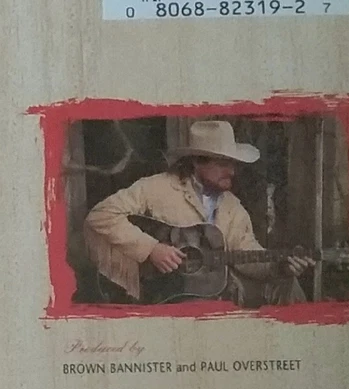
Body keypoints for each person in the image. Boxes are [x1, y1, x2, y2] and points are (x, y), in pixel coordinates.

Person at [83, 120, 312, 305]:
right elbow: (101, 215)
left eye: (233, 164)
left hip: (220, 289)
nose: (232, 171)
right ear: (197, 162)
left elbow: (246, 252)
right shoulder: (156, 188)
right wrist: (151, 249)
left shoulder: (232, 206)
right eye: (223, 163)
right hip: (168, 291)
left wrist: (278, 265)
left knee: (288, 284)